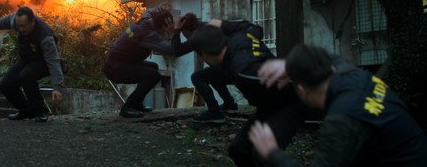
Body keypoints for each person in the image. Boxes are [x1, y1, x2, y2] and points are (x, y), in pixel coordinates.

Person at [248, 43, 427, 167]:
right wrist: (290, 65)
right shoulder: (350, 72)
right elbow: (331, 58)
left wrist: (272, 152)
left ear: (301, 90)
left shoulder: (341, 119)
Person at [188, 21, 308, 166]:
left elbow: (289, 78)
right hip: (269, 106)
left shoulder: (242, 70)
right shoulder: (241, 37)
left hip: (290, 105)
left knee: (263, 155)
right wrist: (224, 24)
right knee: (238, 150)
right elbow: (253, 27)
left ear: (205, 55)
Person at [0, 6, 64, 123]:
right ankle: (26, 111)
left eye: (23, 26)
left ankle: (40, 111)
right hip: (27, 59)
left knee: (26, 76)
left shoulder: (45, 36)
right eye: (18, 25)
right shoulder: (16, 20)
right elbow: (5, 21)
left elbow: (54, 61)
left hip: (43, 62)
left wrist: (57, 87)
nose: (20, 29)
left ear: (32, 22)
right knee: (6, 85)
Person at [104, 5, 189, 118]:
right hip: (115, 69)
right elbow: (172, 50)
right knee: (153, 76)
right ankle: (128, 107)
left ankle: (138, 103)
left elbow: (150, 10)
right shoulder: (148, 34)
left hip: (117, 62)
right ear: (162, 27)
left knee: (153, 66)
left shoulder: (146, 19)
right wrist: (174, 32)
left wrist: (162, 10)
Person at [172, 13, 238, 124]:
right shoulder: (205, 27)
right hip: (239, 65)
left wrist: (176, 30)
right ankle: (229, 104)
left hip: (234, 69)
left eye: (183, 32)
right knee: (212, 72)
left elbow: (177, 51)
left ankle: (214, 112)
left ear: (186, 31)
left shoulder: (197, 35)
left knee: (197, 77)